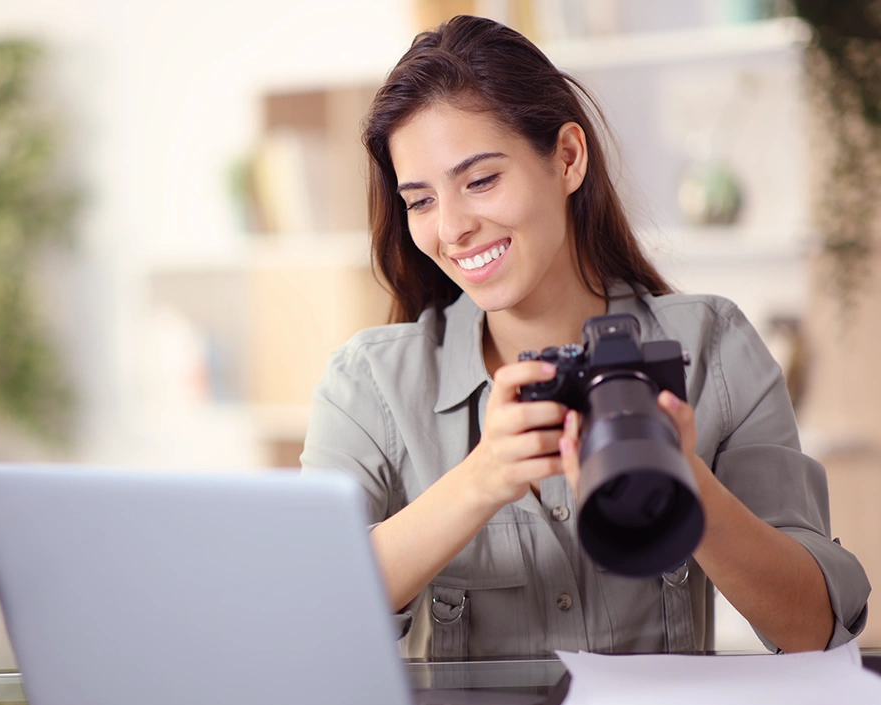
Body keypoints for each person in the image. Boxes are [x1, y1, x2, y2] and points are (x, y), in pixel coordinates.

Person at [299, 16, 870, 659]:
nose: (453, 227)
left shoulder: (713, 347)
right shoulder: (369, 385)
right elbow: (309, 615)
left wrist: (687, 485)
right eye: (421, 201)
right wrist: (480, 482)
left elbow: (815, 630)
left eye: (481, 180)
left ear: (567, 158)